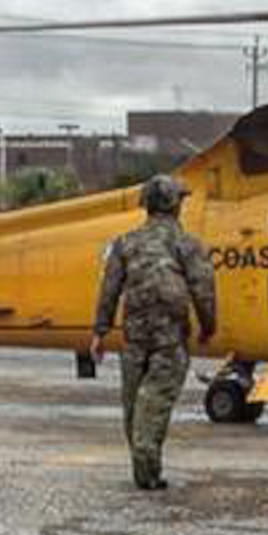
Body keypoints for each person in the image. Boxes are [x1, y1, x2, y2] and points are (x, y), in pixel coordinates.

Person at [91, 174, 217, 491]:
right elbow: (203, 289)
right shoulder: (185, 244)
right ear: (174, 205)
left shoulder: (125, 243)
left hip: (135, 335)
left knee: (133, 402)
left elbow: (109, 289)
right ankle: (147, 471)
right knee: (154, 400)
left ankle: (144, 466)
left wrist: (100, 331)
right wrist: (208, 326)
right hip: (169, 337)